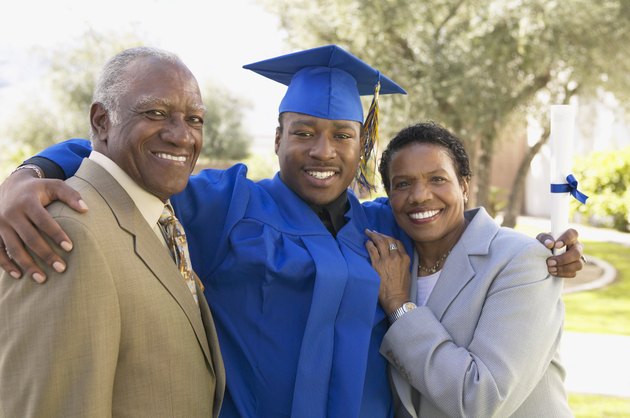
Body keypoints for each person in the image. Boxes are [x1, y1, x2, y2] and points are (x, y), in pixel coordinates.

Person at [0, 45, 583, 417]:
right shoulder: (226, 204)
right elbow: (129, 151)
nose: (321, 151)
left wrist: (543, 252)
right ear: (276, 139)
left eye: (342, 135)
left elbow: (453, 232)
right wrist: (29, 173)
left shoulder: (382, 226)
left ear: (363, 145)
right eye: (302, 132)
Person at [0, 47, 225, 417]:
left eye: (195, 119)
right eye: (156, 113)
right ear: (102, 121)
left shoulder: (161, 218)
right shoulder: (68, 232)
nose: (182, 136)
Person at [364, 122, 572, 417]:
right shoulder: (392, 261)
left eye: (437, 179)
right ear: (389, 195)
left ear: (464, 185)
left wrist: (399, 306)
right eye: (403, 183)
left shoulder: (521, 262)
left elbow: (481, 399)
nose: (420, 195)